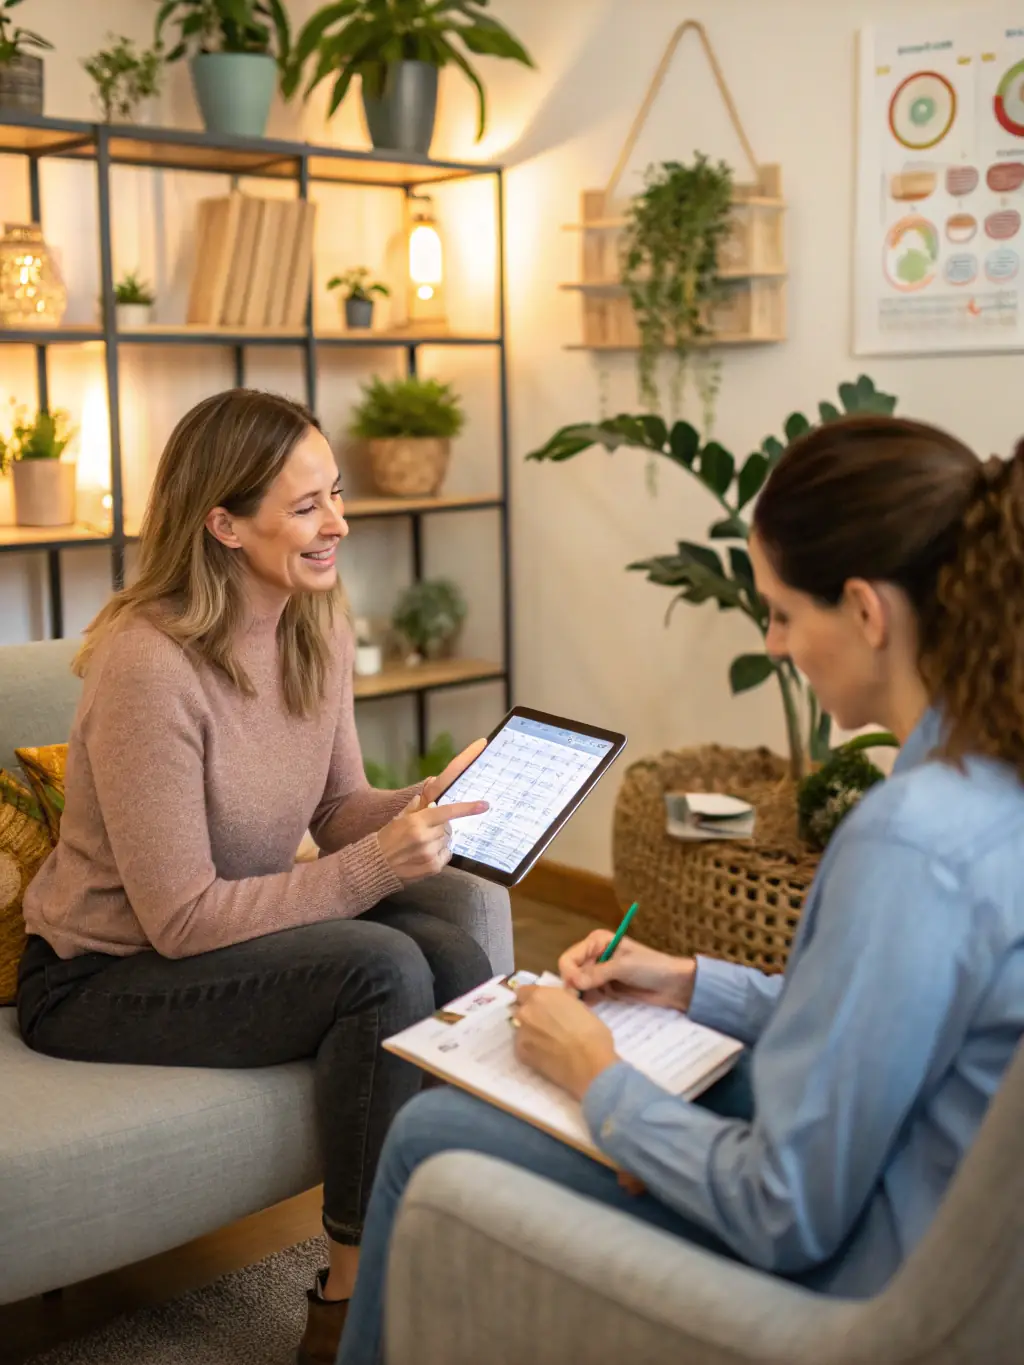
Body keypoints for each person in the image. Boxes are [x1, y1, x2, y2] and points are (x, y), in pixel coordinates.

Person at [335, 413, 1024, 1364]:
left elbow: (781, 1207)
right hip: (900, 1193)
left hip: (842, 1281)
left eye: (783, 612)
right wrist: (687, 979)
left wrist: (596, 1073)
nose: (776, 645)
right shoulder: (990, 781)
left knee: (432, 1136)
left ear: (866, 611)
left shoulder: (911, 843)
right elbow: (878, 1028)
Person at [15, 388, 513, 1365]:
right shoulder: (145, 663)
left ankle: (448, 1242)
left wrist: (427, 800)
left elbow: (332, 814)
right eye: (306, 506)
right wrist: (374, 867)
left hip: (206, 936)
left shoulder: (310, 623)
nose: (336, 523)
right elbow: (180, 919)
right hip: (99, 976)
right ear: (224, 524)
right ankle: (348, 1306)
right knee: (381, 968)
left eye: (334, 495)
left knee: (450, 944)